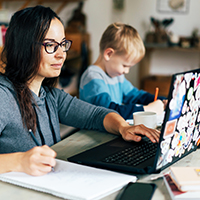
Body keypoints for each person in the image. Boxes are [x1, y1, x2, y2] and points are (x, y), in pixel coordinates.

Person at [0, 6, 160, 176]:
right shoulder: (3, 97)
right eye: (50, 45)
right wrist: (19, 161)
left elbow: (95, 115)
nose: (62, 54)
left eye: (62, 44)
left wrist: (123, 127)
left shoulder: (51, 96)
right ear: (23, 47)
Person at [79, 23, 167, 120]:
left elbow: (136, 96)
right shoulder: (93, 77)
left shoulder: (116, 75)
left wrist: (162, 101)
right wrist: (146, 110)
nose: (127, 71)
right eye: (125, 65)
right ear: (109, 54)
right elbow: (109, 111)